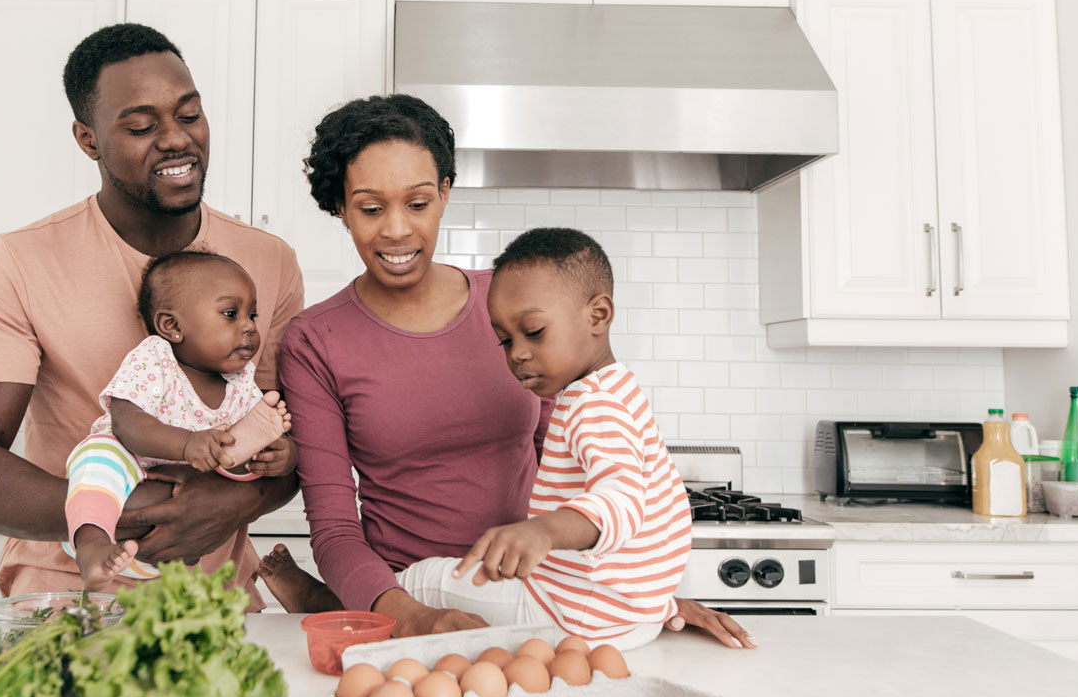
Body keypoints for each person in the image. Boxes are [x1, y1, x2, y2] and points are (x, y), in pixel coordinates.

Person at [261, 94, 754, 648]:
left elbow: (580, 470)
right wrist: (412, 617)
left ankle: (321, 604)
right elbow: (334, 528)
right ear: (341, 208)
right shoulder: (315, 341)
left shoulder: (510, 306)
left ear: (445, 194)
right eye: (371, 209)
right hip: (413, 599)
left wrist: (632, 599)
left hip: (537, 592)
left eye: (418, 203)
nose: (397, 230)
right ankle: (336, 605)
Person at [0, 23, 302, 604]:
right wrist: (113, 515)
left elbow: (287, 437)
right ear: (89, 139)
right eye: (141, 126)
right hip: (67, 590)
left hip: (219, 594)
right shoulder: (19, 263)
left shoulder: (268, 260)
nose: (177, 139)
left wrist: (233, 502)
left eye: (190, 114)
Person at [266, 228, 691, 649]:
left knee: (425, 579)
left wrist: (542, 532)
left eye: (534, 333)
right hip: (627, 615)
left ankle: (329, 604)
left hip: (568, 613)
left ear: (598, 316)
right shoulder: (621, 391)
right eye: (504, 341)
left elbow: (622, 500)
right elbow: (663, 504)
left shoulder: (592, 405)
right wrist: (646, 597)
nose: (516, 354)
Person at [63, 250, 296, 589]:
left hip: (168, 544)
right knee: (98, 458)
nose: (249, 326)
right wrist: (187, 444)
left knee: (239, 457)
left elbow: (234, 464)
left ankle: (253, 444)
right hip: (131, 462)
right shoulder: (155, 358)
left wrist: (282, 456)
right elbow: (126, 423)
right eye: (231, 314)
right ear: (172, 326)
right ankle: (92, 544)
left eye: (253, 315)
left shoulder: (241, 380)